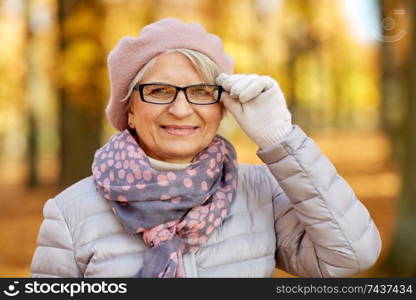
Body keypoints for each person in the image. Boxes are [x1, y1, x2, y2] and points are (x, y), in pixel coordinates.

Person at [30, 18, 381, 278]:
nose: (181, 109)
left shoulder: (261, 193)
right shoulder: (71, 213)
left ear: (222, 106)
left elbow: (352, 254)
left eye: (200, 92)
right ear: (130, 111)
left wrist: (281, 140)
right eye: (159, 90)